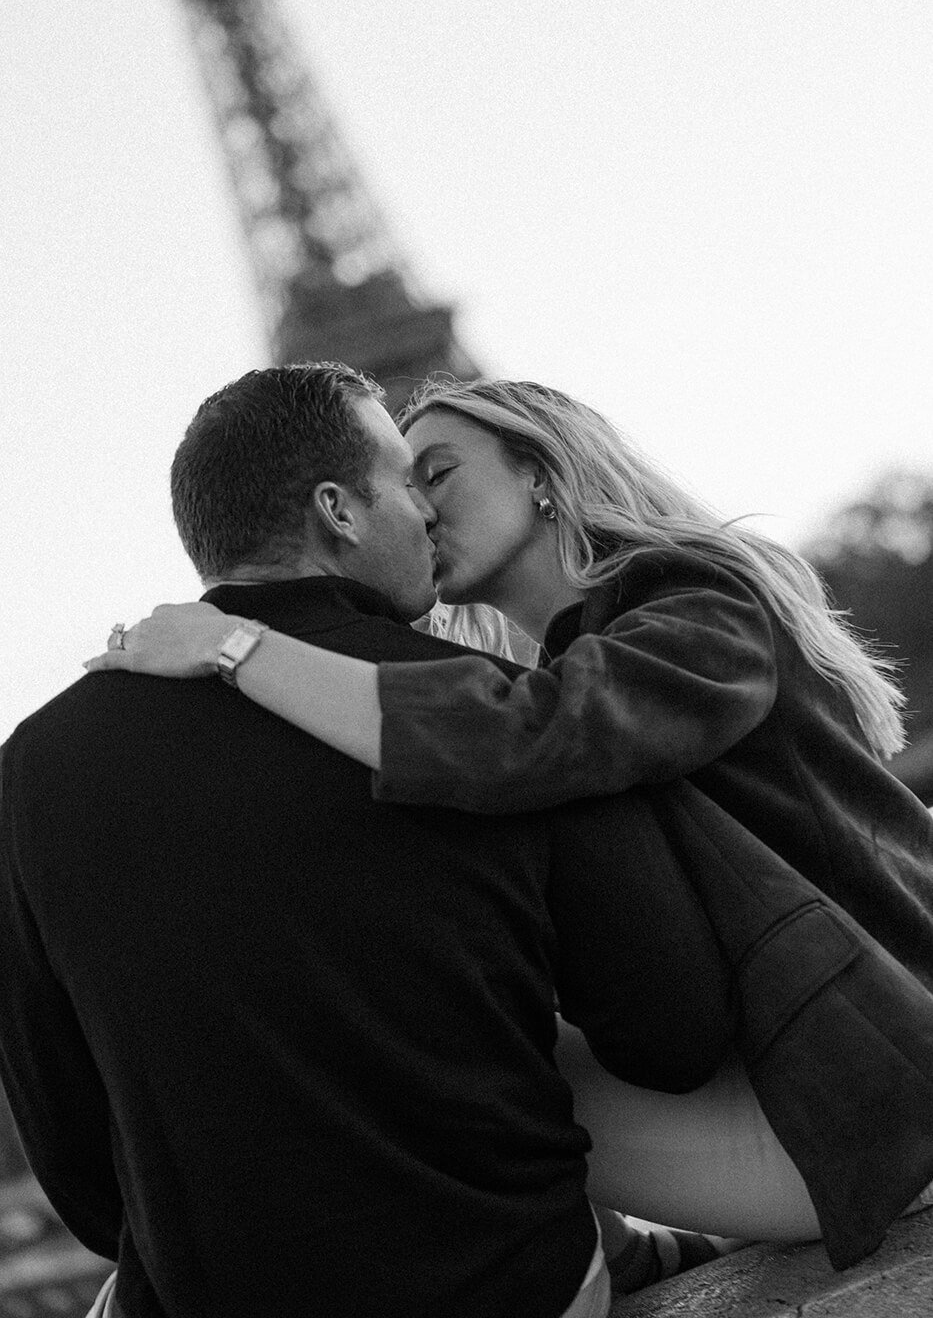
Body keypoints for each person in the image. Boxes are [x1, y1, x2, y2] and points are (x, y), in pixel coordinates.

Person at [88, 372, 933, 1271]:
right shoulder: (584, 654)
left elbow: (533, 734)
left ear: (540, 473)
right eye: (403, 486)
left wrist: (234, 647)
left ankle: (588, 1266)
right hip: (817, 1063)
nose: (414, 509)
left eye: (438, 474)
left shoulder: (698, 603)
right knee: (434, 1028)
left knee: (427, 1061)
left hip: (883, 1083)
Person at [0, 362, 761, 1318]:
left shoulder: (34, 766)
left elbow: (71, 1152)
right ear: (339, 510)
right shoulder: (483, 710)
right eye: (410, 481)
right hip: (501, 1284)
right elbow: (672, 1032)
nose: (426, 517)